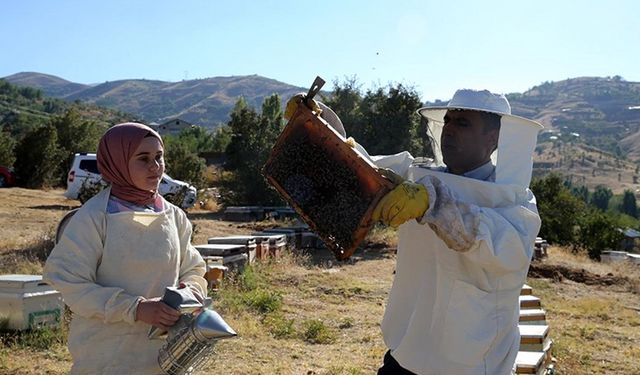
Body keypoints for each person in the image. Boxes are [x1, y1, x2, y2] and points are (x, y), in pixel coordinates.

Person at [288, 89, 543, 374]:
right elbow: (356, 162)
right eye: (448, 120)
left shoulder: (515, 201)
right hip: (407, 351)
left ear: (493, 139)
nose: (449, 130)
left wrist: (433, 206)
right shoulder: (418, 175)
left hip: (472, 363)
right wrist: (316, 121)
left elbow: (503, 247)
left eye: (463, 123)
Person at [44, 122, 207, 374]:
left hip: (166, 356)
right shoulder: (94, 217)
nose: (155, 167)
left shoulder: (173, 216)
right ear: (117, 163)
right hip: (108, 355)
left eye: (159, 157)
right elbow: (69, 282)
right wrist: (136, 308)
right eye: (143, 159)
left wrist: (191, 290)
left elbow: (193, 267)